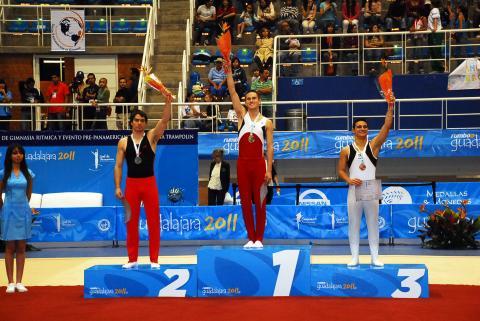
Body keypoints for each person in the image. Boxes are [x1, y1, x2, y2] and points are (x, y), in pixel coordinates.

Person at [114, 94, 172, 269]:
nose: (139, 123)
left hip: (149, 183)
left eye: (142, 120)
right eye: (136, 120)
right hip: (131, 184)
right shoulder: (123, 142)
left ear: (145, 123)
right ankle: (132, 259)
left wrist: (168, 101)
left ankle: (154, 259)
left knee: (153, 221)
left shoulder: (152, 137)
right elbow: (118, 166)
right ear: (131, 122)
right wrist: (117, 186)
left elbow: (164, 120)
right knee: (131, 222)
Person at [337, 103, 394, 268]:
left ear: (367, 129)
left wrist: (390, 107)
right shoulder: (346, 150)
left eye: (365, 126)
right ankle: (354, 257)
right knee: (353, 224)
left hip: (371, 190)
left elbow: (387, 126)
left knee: (373, 224)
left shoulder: (374, 145)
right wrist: (348, 180)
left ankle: (374, 257)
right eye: (359, 126)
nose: (362, 128)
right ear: (353, 130)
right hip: (354, 190)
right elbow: (340, 170)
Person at [224, 60, 274, 248]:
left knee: (260, 202)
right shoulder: (241, 117)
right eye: (248, 99)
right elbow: (232, 91)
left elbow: (269, 148)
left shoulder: (267, 122)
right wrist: (229, 71)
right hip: (243, 165)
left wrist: (269, 170)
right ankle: (251, 237)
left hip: (259, 164)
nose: (251, 101)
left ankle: (259, 238)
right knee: (245, 201)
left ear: (259, 101)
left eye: (254, 98)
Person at [0, 144, 36, 293]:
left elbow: (28, 194)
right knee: (9, 248)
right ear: (9, 156)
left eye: (20, 153)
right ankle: (10, 282)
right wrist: (4, 207)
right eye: (15, 153)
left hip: (23, 212)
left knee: (21, 247)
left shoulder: (28, 173)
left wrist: (23, 207)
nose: (18, 155)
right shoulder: (3, 174)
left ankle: (19, 282)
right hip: (8, 212)